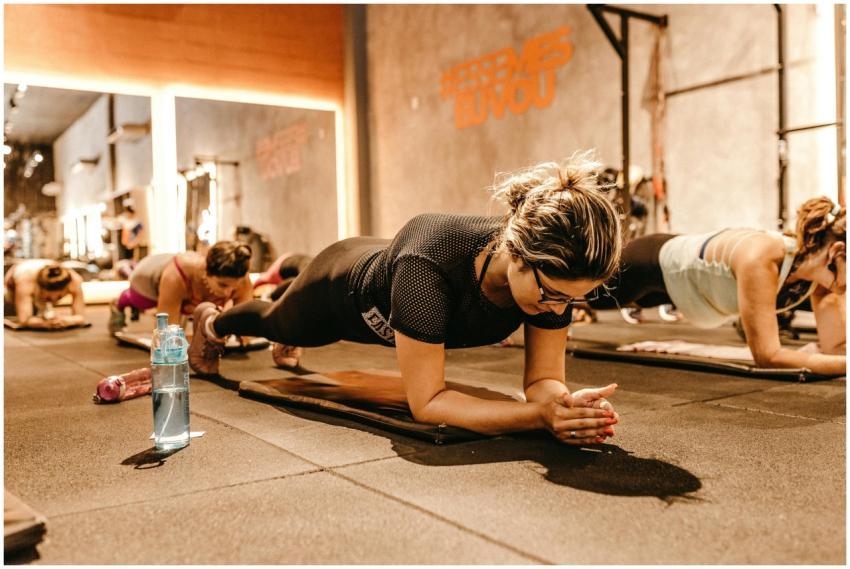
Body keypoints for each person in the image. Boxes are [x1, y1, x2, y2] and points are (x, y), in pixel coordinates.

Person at [189, 153, 624, 444]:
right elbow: (427, 403)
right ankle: (212, 324)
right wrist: (539, 418)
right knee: (275, 320)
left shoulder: (553, 284)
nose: (555, 309)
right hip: (338, 288)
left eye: (571, 301)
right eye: (549, 294)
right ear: (518, 253)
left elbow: (542, 379)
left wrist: (563, 404)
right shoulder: (428, 263)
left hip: (388, 272)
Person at [587, 196, 846, 376]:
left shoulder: (822, 281)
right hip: (652, 261)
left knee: (638, 300)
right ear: (836, 251)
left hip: (684, 291)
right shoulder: (762, 259)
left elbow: (837, 350)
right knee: (590, 296)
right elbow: (768, 357)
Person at [109, 241, 253, 333]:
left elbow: (244, 325)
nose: (228, 292)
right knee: (141, 302)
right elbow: (165, 329)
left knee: (189, 308)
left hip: (183, 289)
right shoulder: (177, 276)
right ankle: (119, 303)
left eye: (234, 287)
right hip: (147, 277)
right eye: (223, 285)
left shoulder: (241, 277)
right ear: (206, 271)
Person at [4, 259, 86, 328]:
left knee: (44, 314)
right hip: (12, 280)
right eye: (48, 298)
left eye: (59, 297)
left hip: (40, 269)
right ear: (39, 288)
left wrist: (68, 321)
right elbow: (24, 320)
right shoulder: (26, 281)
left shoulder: (75, 281)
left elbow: (80, 317)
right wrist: (46, 324)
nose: (54, 300)